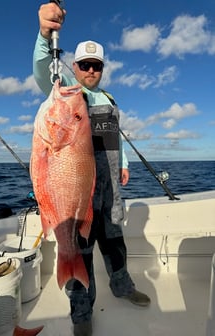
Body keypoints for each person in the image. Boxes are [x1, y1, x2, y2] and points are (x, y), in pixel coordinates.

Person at [33, 3, 151, 336]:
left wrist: (124, 163)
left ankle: (122, 285)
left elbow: (118, 140)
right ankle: (81, 310)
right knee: (80, 251)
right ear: (74, 66)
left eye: (96, 66)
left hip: (110, 191)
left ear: (102, 68)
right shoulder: (71, 92)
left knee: (115, 244)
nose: (90, 71)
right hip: (79, 191)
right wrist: (45, 36)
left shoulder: (110, 99)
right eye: (84, 65)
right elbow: (44, 70)